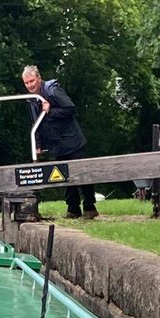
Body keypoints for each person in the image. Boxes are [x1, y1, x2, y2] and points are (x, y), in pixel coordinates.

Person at [22, 65, 97, 219]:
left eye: (32, 81)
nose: (30, 85)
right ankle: (73, 209)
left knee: (83, 174)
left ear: (39, 78)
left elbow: (71, 109)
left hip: (72, 140)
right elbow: (36, 123)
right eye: (27, 83)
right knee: (63, 177)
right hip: (56, 144)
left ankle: (90, 207)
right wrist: (38, 146)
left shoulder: (53, 91)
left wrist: (51, 110)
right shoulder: (32, 100)